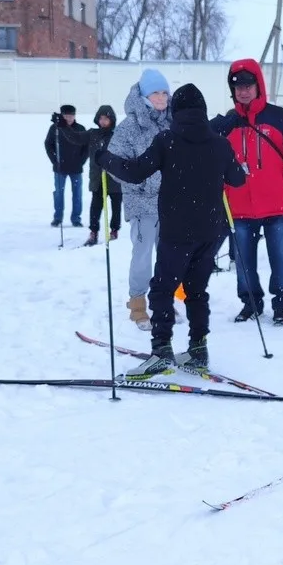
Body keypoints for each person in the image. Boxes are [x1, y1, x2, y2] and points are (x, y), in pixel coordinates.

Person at [95, 84, 247, 378]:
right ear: (202, 111)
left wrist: (105, 159)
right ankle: (198, 348)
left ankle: (162, 349)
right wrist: (229, 163)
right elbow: (238, 179)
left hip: (177, 230)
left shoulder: (168, 140)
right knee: (196, 290)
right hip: (210, 231)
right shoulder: (219, 144)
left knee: (163, 289)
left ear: (176, 111)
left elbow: (135, 171)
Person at [210, 59, 283, 325]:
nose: (243, 90)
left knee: (282, 258)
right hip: (240, 205)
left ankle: (282, 304)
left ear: (259, 86)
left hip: (277, 203)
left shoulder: (281, 118)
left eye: (248, 85)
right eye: (237, 86)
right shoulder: (228, 123)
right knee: (243, 261)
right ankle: (250, 303)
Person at [108, 69, 173, 330]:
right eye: (155, 92)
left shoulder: (172, 122)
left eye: (164, 92)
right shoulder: (129, 127)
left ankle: (163, 302)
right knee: (143, 255)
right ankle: (137, 303)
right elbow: (115, 163)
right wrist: (141, 180)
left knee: (168, 256)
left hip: (170, 203)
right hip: (142, 202)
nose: (161, 97)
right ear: (144, 96)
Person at [79, 105, 120, 247]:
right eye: (101, 118)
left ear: (111, 120)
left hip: (115, 178)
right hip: (98, 178)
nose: (103, 121)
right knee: (95, 207)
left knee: (116, 207)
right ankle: (93, 233)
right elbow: (75, 138)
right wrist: (63, 126)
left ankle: (114, 231)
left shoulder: (118, 135)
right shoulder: (92, 134)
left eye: (106, 119)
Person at [45, 104, 88, 228]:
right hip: (60, 168)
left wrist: (81, 161)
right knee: (58, 193)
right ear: (62, 116)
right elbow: (48, 144)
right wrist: (54, 160)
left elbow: (86, 147)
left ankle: (76, 218)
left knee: (77, 194)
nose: (69, 118)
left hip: (76, 168)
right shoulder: (55, 128)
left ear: (74, 116)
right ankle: (57, 218)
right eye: (66, 115)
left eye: (71, 115)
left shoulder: (80, 128)